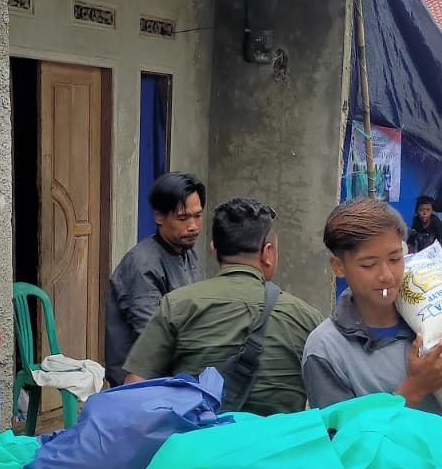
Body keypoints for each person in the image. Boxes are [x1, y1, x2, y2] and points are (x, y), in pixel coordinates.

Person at [301, 197, 442, 411]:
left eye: (395, 259)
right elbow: (342, 441)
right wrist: (414, 390)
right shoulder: (325, 349)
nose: (386, 275)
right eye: (369, 265)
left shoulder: (435, 317)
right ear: (338, 266)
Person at [122, 198, 323, 415]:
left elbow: (133, 389)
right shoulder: (307, 318)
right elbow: (331, 409)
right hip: (279, 447)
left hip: (199, 445)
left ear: (214, 250)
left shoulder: (177, 305)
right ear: (267, 252)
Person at [105, 172, 206, 386]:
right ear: (159, 216)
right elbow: (151, 338)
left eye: (197, 216)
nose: (193, 226)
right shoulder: (144, 265)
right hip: (143, 383)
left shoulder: (187, 252)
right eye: (183, 218)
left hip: (176, 370)